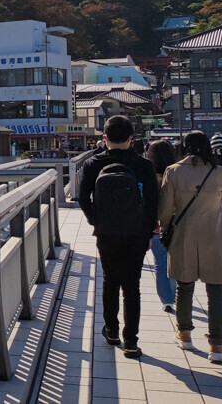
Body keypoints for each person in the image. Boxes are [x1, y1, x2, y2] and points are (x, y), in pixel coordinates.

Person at [159, 131, 222, 363]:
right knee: (216, 290)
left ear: (184, 147)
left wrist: (164, 227)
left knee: (184, 286)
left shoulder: (173, 171)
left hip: (184, 235)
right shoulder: (220, 172)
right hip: (214, 236)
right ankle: (216, 345)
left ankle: (184, 334)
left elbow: (165, 208)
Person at [79, 115, 159, 359]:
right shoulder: (143, 165)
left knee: (110, 280)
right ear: (131, 139)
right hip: (136, 232)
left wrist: (96, 221)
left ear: (105, 138)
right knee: (132, 286)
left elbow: (83, 199)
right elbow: (152, 203)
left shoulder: (93, 163)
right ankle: (131, 341)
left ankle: (112, 330)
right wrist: (148, 231)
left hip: (107, 232)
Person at [145, 140, 178, 312]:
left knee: (161, 262)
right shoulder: (177, 173)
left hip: (155, 226)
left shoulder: (147, 175)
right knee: (176, 261)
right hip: (177, 225)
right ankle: (175, 293)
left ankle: (167, 300)